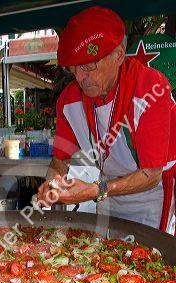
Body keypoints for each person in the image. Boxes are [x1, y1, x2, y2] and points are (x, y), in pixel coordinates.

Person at [38, 6, 176, 234]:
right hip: (107, 192)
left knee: (149, 258)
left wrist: (96, 190)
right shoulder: (68, 101)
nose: (80, 77)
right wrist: (52, 184)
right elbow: (59, 162)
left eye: (88, 66)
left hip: (152, 194)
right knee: (106, 253)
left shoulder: (151, 88)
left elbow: (151, 174)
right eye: (74, 68)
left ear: (118, 55)